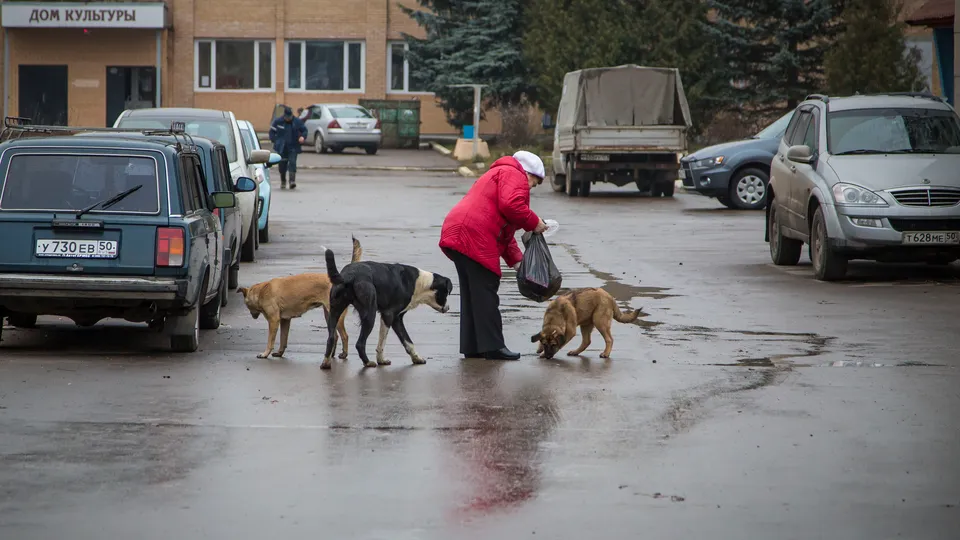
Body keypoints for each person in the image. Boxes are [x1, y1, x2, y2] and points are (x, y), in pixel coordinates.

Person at [439, 150, 549, 360]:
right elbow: (512, 205)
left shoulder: (499, 174)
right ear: (528, 173)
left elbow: (505, 233)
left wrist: (518, 263)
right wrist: (535, 223)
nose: (531, 188)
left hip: (459, 232)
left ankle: (472, 346)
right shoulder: (513, 173)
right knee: (486, 288)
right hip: (474, 234)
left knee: (473, 294)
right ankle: (493, 346)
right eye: (533, 183)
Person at [268, 106, 307, 189]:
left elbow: (304, 130)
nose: (288, 119)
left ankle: (292, 181)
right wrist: (275, 140)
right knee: (282, 165)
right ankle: (283, 181)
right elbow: (272, 132)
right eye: (287, 117)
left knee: (292, 163)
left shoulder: (297, 122)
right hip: (282, 148)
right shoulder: (278, 121)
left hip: (293, 147)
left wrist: (303, 137)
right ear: (284, 115)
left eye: (290, 117)